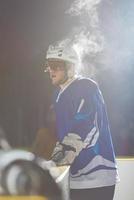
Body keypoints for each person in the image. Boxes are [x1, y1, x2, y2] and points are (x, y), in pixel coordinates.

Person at [44, 42, 119, 200]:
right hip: (76, 177)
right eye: (49, 65)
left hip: (97, 173)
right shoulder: (58, 94)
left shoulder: (86, 86)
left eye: (56, 65)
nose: (50, 70)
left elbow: (86, 124)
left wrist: (61, 156)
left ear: (71, 68)